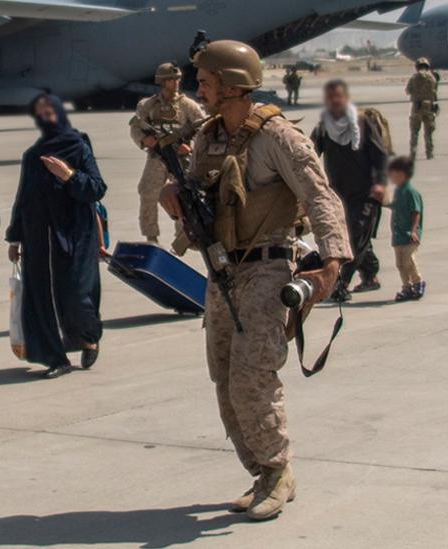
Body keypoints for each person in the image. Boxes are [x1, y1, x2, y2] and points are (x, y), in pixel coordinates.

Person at [160, 40, 352, 521]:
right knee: (224, 378)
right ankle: (262, 472)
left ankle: (278, 469)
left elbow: (321, 195)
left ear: (230, 85)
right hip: (224, 268)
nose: (197, 90)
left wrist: (332, 260)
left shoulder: (278, 137)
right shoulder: (208, 138)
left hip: (269, 267)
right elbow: (199, 189)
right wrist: (174, 196)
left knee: (253, 374)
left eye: (204, 83)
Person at [7, 94, 107, 379]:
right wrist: (15, 237)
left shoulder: (78, 146)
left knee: (75, 292)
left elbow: (97, 188)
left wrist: (69, 175)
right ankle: (56, 357)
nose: (48, 118)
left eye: (52, 112)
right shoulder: (32, 155)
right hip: (38, 236)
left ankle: (87, 336)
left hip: (76, 233)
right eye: (42, 114)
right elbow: (23, 196)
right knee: (40, 297)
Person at [311, 79, 388, 301]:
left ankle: (340, 283)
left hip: (365, 193)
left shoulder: (362, 124)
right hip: (337, 195)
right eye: (331, 97)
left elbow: (380, 155)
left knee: (354, 238)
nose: (335, 101)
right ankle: (371, 275)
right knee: (353, 237)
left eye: (339, 97)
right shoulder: (324, 127)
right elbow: (310, 154)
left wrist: (380, 183)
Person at [130, 62, 205, 247]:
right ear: (162, 82)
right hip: (158, 157)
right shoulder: (147, 105)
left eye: (177, 79)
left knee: (184, 195)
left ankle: (184, 235)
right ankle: (151, 236)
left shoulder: (189, 106)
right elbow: (136, 128)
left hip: (180, 159)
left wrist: (191, 146)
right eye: (171, 79)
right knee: (147, 191)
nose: (176, 82)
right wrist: (144, 140)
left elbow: (203, 129)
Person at [388, 156, 425, 302]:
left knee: (409, 259)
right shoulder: (398, 191)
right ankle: (406, 286)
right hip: (398, 235)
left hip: (410, 235)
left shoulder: (411, 192)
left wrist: (414, 230)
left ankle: (418, 282)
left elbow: (416, 212)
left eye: (394, 174)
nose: (391, 177)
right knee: (400, 263)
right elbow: (395, 206)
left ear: (403, 174)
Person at [406, 57, 438, 160]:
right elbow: (434, 93)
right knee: (428, 132)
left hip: (417, 107)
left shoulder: (414, 78)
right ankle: (429, 153)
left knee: (414, 132)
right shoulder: (432, 78)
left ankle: (413, 154)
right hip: (428, 107)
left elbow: (408, 90)